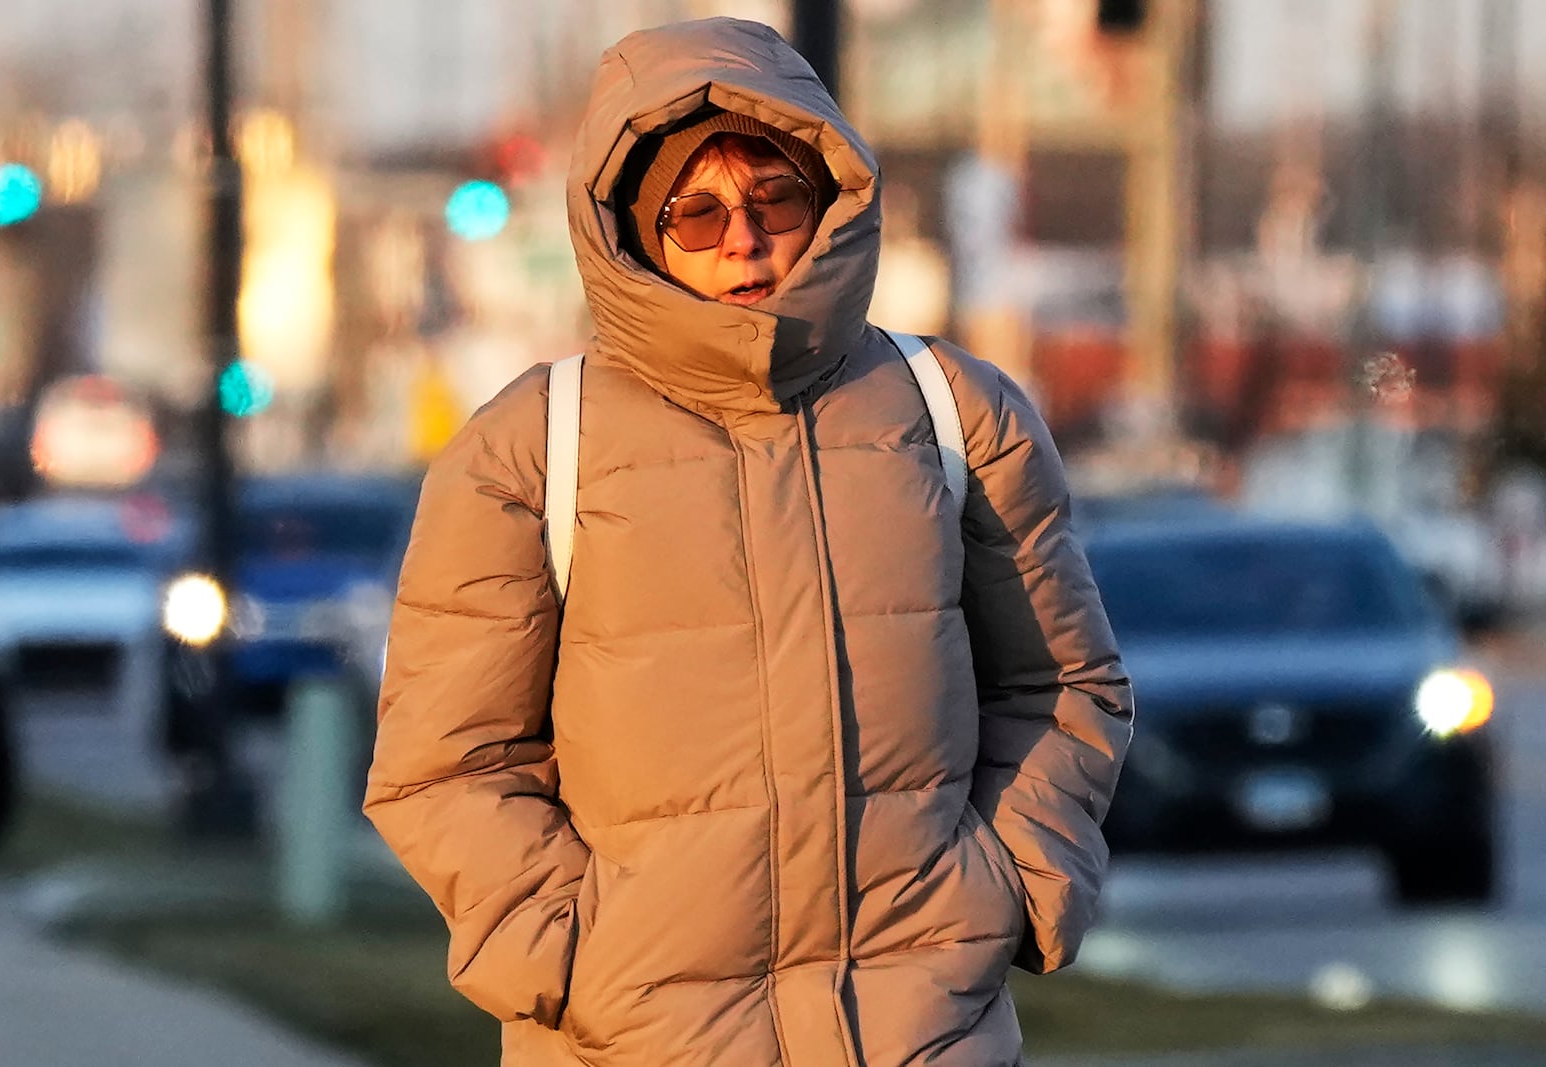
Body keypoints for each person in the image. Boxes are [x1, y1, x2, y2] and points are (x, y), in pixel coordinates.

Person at [365, 16, 1133, 1067]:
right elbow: (443, 763)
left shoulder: (954, 414)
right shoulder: (530, 448)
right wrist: (567, 950)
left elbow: (1060, 685)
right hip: (632, 1041)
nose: (744, 237)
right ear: (634, 228)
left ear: (829, 199)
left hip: (918, 1034)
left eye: (775, 197)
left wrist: (1011, 885)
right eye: (697, 210)